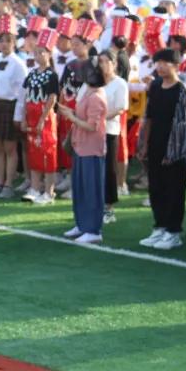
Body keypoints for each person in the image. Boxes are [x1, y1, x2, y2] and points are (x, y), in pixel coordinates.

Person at [139, 49, 186, 250]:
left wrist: (172, 153)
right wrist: (144, 144)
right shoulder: (155, 86)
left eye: (165, 62)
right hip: (155, 146)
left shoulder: (183, 90)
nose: (161, 66)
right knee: (156, 188)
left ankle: (173, 232)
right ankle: (160, 227)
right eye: (159, 62)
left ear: (177, 65)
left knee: (174, 190)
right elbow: (149, 117)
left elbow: (185, 124)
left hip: (175, 151)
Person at [59, 63, 108, 244]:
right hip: (80, 146)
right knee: (80, 188)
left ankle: (93, 229)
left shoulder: (96, 97)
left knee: (91, 189)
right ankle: (82, 224)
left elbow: (92, 125)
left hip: (91, 148)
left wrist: (72, 117)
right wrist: (71, 113)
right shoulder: (87, 92)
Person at [0, 31, 27, 200]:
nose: (4, 45)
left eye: (8, 41)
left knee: (10, 148)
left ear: (14, 44)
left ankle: (8, 184)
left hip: (10, 106)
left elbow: (22, 93)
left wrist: (18, 115)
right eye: (1, 41)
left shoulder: (18, 64)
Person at [22, 39, 60, 204]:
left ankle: (49, 191)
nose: (38, 55)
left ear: (49, 54)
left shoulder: (52, 74)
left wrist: (43, 119)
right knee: (33, 151)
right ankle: (35, 187)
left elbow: (52, 98)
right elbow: (26, 96)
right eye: (35, 52)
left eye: (41, 52)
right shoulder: (31, 73)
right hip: (31, 114)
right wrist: (23, 117)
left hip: (45, 115)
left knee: (48, 152)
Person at [97, 50, 128, 224]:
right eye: (100, 62)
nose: (102, 65)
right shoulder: (96, 82)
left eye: (105, 61)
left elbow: (121, 107)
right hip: (93, 131)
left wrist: (100, 117)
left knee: (109, 169)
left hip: (110, 130)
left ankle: (109, 208)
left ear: (114, 63)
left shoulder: (120, 83)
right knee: (95, 168)